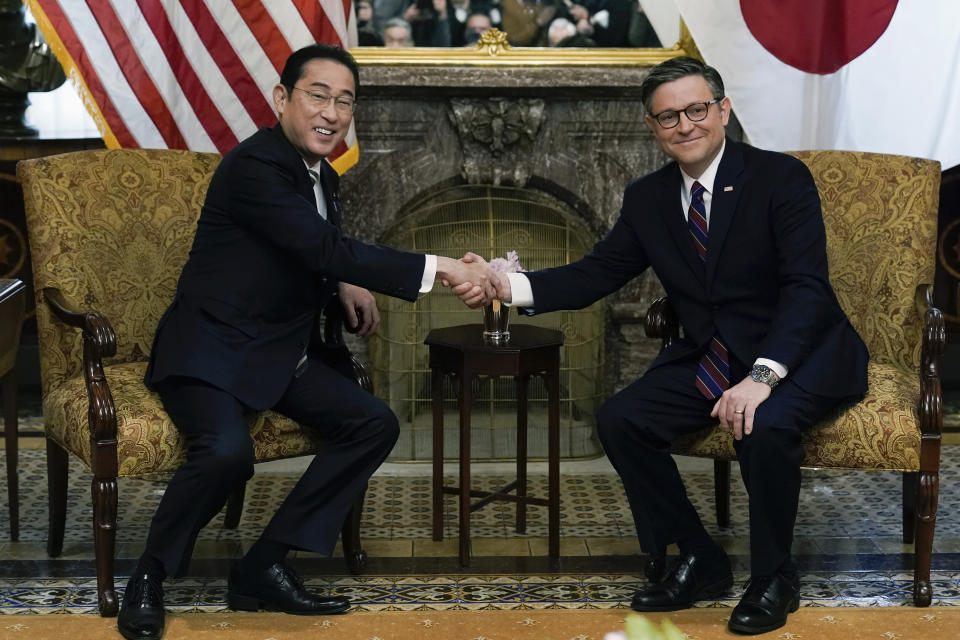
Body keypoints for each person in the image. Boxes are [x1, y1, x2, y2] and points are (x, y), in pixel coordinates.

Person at [461, 56, 869, 635]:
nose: (685, 125)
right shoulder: (648, 197)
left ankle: (774, 575)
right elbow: (595, 274)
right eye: (668, 116)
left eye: (697, 109)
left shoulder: (780, 179)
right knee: (622, 419)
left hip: (800, 351)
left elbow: (806, 290)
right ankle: (698, 555)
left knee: (767, 424)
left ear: (722, 110)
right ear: (653, 128)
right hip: (711, 354)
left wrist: (761, 378)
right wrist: (507, 285)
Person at [117, 44, 500, 640]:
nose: (332, 112)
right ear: (281, 99)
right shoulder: (255, 166)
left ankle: (264, 564)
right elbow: (321, 246)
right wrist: (445, 267)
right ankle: (149, 576)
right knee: (225, 454)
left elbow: (311, 249)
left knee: (372, 423)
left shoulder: (318, 174)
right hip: (213, 351)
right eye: (317, 95)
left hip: (278, 351)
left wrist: (343, 282)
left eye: (345, 101)